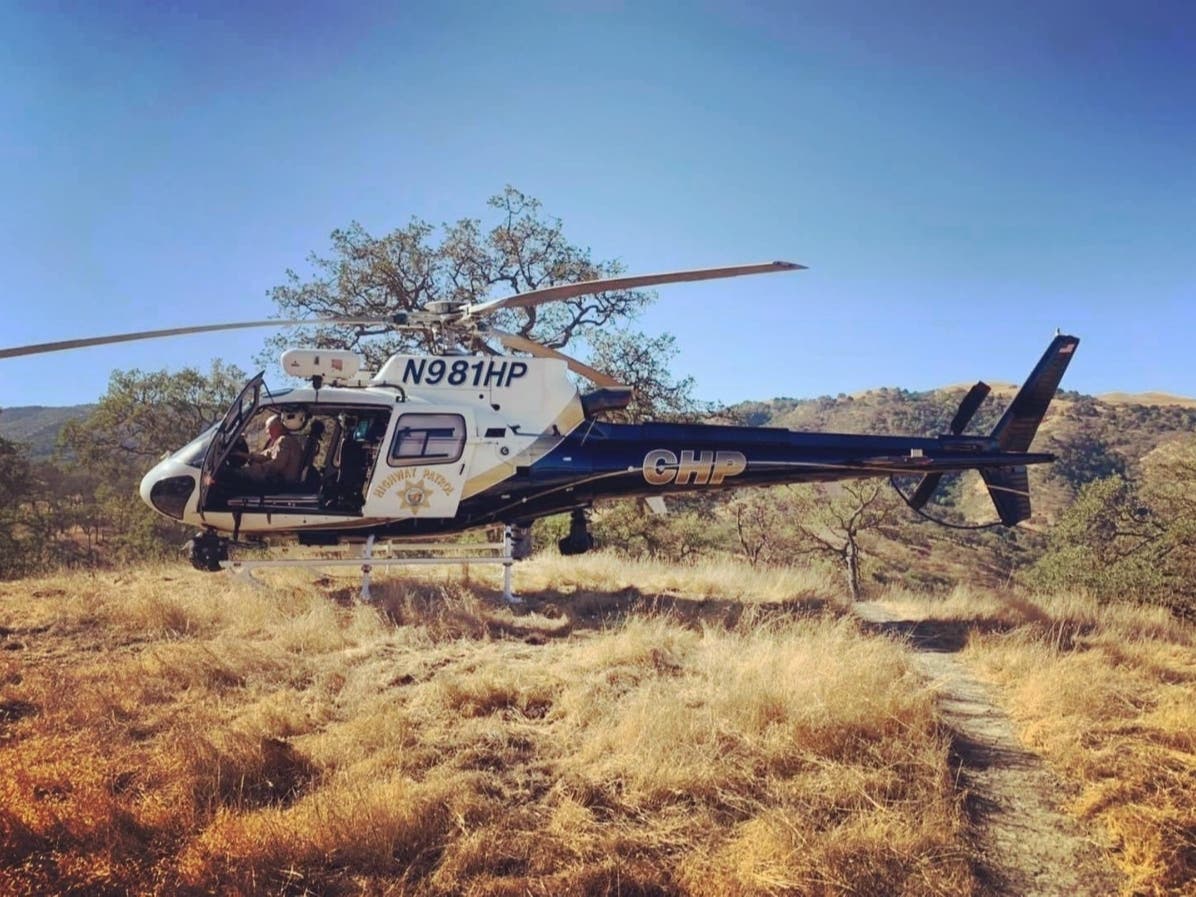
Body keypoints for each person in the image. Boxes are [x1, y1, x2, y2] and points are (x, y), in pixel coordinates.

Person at [241, 414, 303, 486]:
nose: (267, 432)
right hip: (282, 480)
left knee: (243, 478)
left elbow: (276, 464)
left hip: (283, 483)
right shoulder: (283, 440)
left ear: (278, 427)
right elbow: (267, 454)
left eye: (269, 429)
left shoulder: (284, 440)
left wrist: (255, 469)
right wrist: (246, 456)